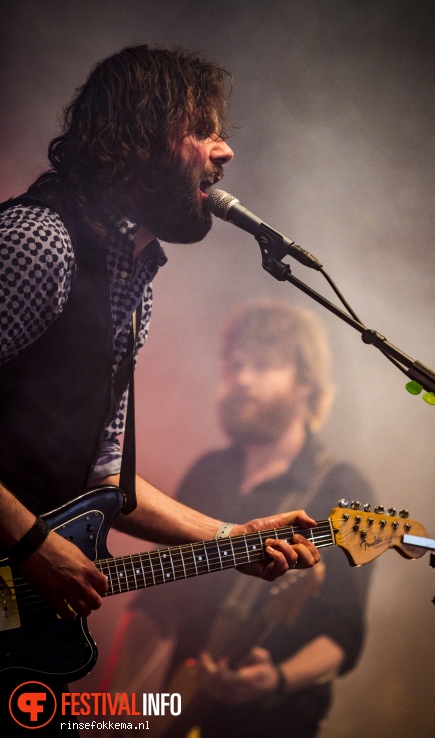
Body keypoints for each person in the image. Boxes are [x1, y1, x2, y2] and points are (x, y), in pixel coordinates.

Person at [0, 46, 320, 735]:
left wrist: (234, 536)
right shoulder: (39, 243)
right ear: (139, 138)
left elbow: (104, 478)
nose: (226, 150)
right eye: (203, 128)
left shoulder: (132, 287)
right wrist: (29, 542)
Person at [105, 300, 374, 738]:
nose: (242, 379)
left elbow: (343, 631)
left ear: (306, 382)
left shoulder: (342, 488)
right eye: (234, 366)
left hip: (274, 723)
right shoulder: (208, 471)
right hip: (183, 715)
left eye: (263, 366)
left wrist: (280, 678)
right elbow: (157, 605)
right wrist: (107, 715)